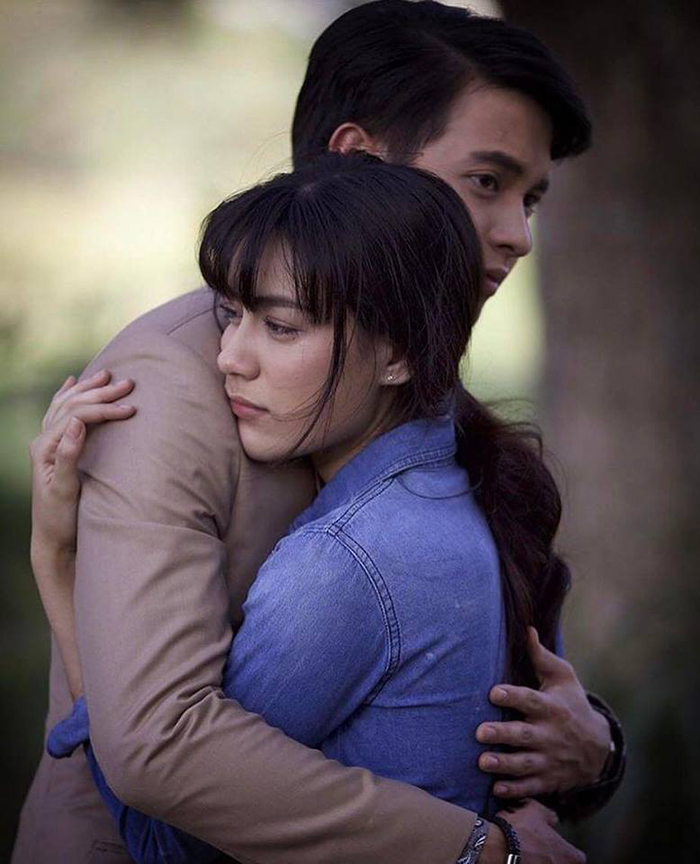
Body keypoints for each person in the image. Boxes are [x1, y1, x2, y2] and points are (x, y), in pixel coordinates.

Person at [12, 3, 624, 864]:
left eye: (529, 199)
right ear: (356, 159)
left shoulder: (401, 393)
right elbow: (159, 752)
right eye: (486, 182)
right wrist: (484, 849)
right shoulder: (173, 391)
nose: (518, 235)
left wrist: (593, 751)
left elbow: (480, 703)